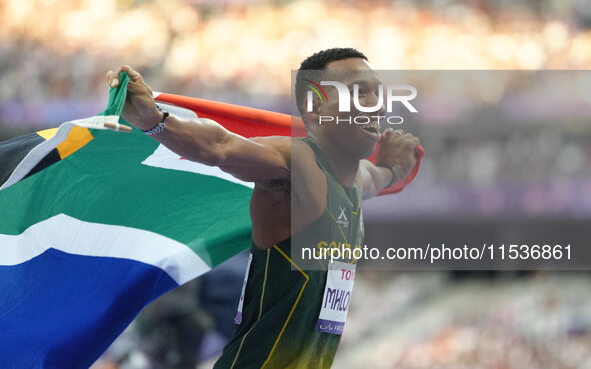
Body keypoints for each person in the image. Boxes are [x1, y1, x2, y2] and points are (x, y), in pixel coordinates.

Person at [107, 47, 420, 369]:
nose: (376, 103)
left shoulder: (357, 181)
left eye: (379, 93)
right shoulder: (297, 162)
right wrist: (155, 121)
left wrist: (394, 169)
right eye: (357, 92)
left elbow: (378, 177)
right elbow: (222, 146)